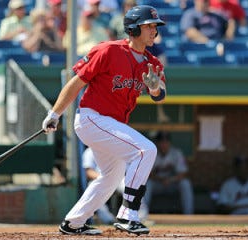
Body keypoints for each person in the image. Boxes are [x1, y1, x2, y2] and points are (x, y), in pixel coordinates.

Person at [42, 5, 167, 235]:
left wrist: (155, 89)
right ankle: (128, 214)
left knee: (113, 174)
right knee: (145, 150)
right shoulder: (108, 50)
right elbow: (76, 82)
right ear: (133, 29)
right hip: (92, 118)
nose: (154, 31)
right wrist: (55, 114)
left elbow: (161, 94)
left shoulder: (152, 63)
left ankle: (73, 222)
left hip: (112, 125)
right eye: (149, 26)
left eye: (155, 27)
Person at [140, 131, 194, 217]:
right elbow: (146, 173)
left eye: (166, 141)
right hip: (157, 184)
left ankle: (189, 215)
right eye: (162, 141)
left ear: (169, 142)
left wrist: (171, 180)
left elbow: (183, 173)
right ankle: (143, 214)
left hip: (173, 184)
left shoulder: (176, 153)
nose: (164, 144)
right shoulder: (152, 153)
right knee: (148, 184)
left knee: (185, 183)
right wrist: (160, 179)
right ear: (157, 143)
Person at [82, 147, 124, 224]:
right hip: (99, 179)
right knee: (94, 191)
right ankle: (109, 220)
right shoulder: (89, 151)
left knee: (129, 185)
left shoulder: (114, 148)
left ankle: (138, 218)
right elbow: (89, 172)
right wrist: (104, 178)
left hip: (117, 178)